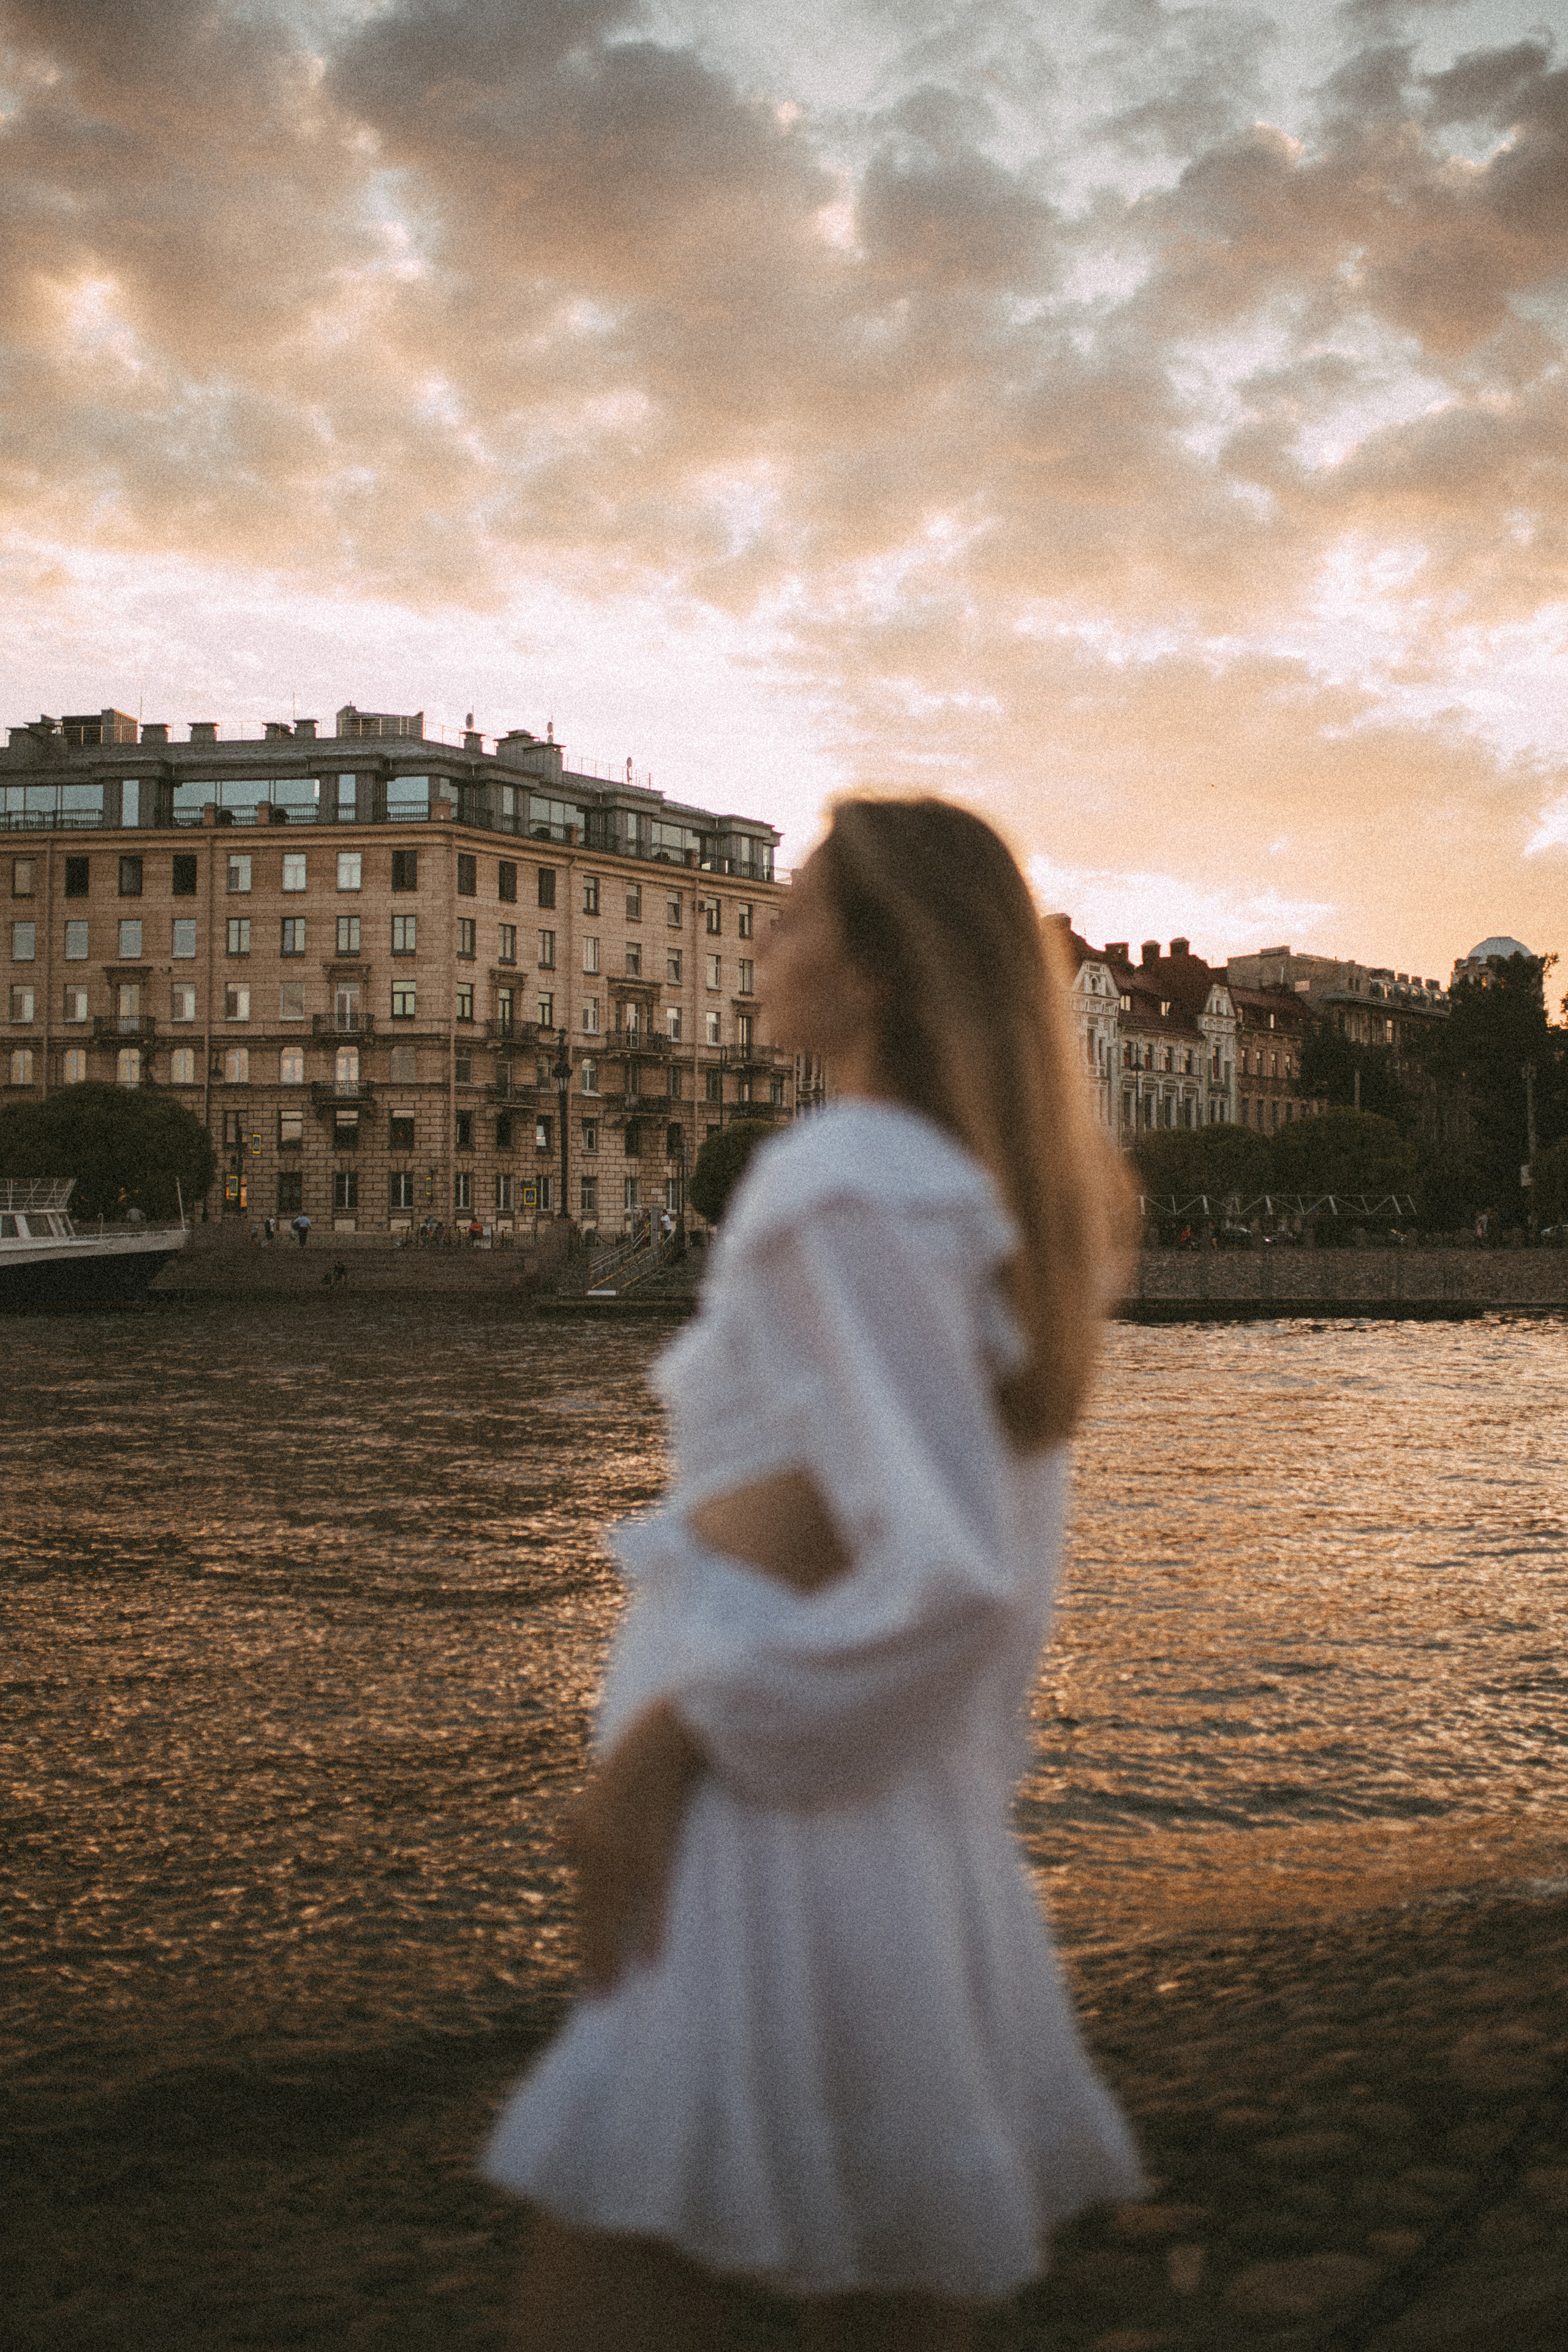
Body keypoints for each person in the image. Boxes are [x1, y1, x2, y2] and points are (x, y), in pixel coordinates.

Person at [482, 799, 1144, 2351]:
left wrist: (669, 1748)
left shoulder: (838, 1178)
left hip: (764, 1824)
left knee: (617, 2288)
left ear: (884, 968)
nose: (757, 942)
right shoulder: (958, 1185)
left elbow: (951, 1577)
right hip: (871, 1810)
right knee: (880, 2292)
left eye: (787, 914)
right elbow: (971, 1559)